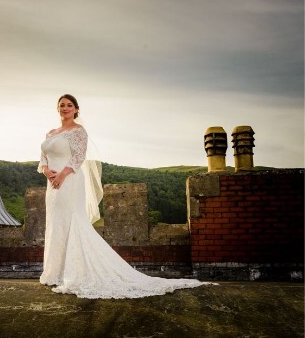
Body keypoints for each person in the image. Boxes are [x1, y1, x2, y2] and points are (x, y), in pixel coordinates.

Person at [38, 94, 212, 299]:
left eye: (69, 105)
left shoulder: (78, 131)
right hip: (52, 184)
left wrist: (62, 175)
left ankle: (74, 271)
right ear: (57, 109)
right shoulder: (51, 132)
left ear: (76, 109)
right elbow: (43, 158)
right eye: (61, 105)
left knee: (71, 221)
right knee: (56, 222)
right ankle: (55, 272)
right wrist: (47, 171)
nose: (65, 108)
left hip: (70, 181)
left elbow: (79, 157)